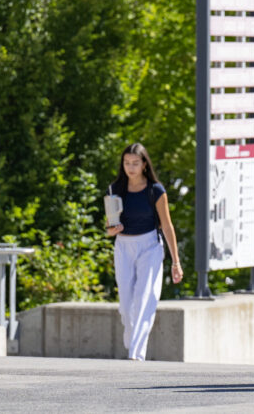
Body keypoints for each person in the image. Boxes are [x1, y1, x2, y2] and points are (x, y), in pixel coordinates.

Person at [106, 143, 183, 361]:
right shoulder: (115, 190)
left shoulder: (155, 191)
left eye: (135, 163)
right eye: (127, 163)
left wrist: (176, 262)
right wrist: (113, 230)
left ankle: (136, 354)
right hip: (123, 246)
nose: (130, 167)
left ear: (144, 165)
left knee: (144, 298)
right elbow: (109, 228)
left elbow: (167, 226)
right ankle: (132, 342)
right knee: (126, 303)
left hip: (149, 245)